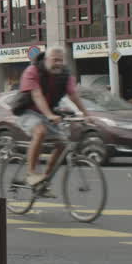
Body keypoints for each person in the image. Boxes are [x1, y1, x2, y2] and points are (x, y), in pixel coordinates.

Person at [13, 47, 90, 189]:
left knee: (62, 144)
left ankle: (44, 181)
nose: (58, 63)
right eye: (55, 60)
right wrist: (49, 115)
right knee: (40, 131)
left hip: (48, 113)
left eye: (61, 60)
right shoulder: (32, 71)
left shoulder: (65, 75)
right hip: (27, 111)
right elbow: (37, 95)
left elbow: (73, 95)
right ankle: (31, 173)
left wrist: (86, 114)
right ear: (46, 59)